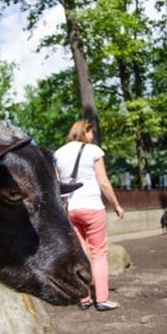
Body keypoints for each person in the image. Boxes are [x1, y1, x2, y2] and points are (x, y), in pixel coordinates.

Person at [54, 120, 124, 312]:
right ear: (84, 131)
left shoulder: (58, 154)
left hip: (71, 209)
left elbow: (58, 187)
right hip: (92, 206)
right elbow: (103, 182)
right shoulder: (93, 151)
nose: (93, 136)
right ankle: (102, 299)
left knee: (80, 255)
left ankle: (84, 298)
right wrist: (116, 205)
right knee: (99, 253)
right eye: (91, 132)